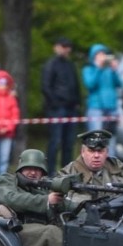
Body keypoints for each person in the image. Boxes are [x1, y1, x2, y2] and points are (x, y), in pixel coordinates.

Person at [0, 149, 70, 246]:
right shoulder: (8, 180)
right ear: (21, 168)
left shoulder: (43, 186)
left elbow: (66, 205)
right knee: (52, 233)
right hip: (15, 231)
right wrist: (46, 200)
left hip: (38, 228)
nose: (33, 173)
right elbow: (11, 198)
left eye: (37, 169)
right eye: (29, 168)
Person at [58, 129, 123, 205]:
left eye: (100, 151)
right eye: (91, 151)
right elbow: (55, 198)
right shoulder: (69, 172)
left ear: (107, 152)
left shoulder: (116, 165)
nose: (96, 155)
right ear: (82, 152)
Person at [41, 37, 81, 174]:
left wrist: (77, 103)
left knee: (69, 143)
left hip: (70, 108)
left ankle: (66, 171)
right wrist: (55, 103)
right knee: (55, 142)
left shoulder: (70, 65)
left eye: (68, 46)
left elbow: (76, 85)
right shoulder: (51, 65)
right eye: (64, 46)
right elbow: (46, 86)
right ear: (57, 47)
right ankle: (50, 171)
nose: (66, 49)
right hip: (57, 109)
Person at [82, 43, 122, 139]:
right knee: (97, 137)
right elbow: (90, 84)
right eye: (100, 54)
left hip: (111, 108)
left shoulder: (109, 70)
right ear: (94, 56)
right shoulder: (88, 70)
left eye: (104, 54)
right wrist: (98, 68)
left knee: (111, 138)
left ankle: (110, 154)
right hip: (96, 109)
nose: (103, 56)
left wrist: (114, 70)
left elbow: (119, 84)